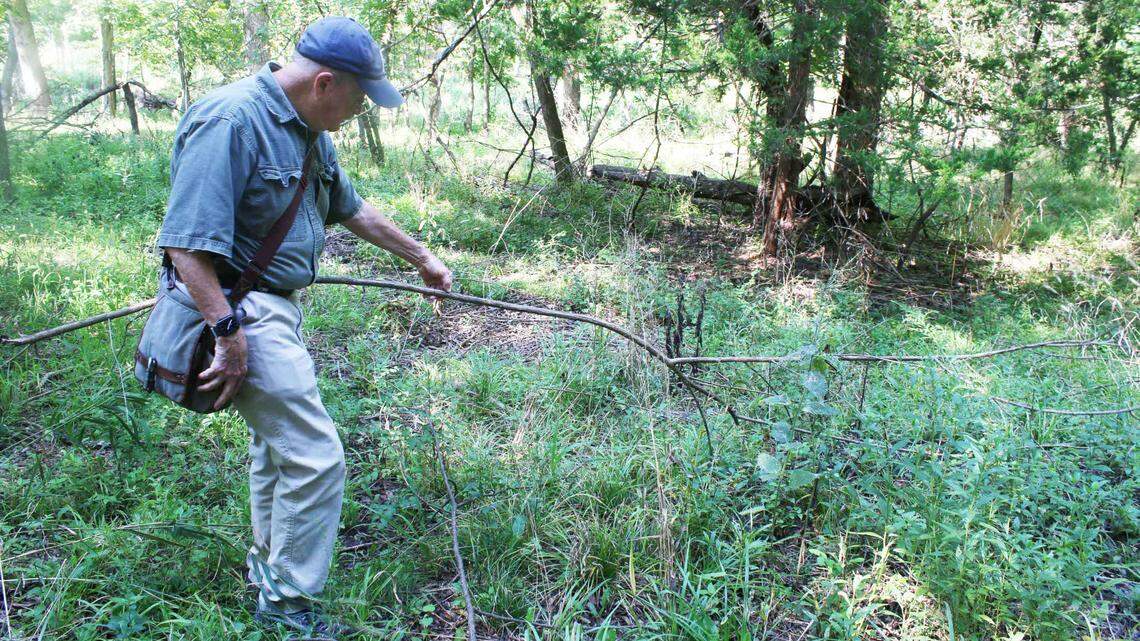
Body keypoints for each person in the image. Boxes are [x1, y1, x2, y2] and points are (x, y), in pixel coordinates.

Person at [154, 16, 452, 636]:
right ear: (324, 83)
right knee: (316, 457)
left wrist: (420, 257)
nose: (360, 111)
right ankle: (291, 607)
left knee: (277, 452)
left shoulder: (310, 129)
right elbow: (185, 249)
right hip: (240, 307)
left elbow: (351, 207)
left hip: (274, 310)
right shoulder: (231, 122)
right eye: (359, 98)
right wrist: (230, 332)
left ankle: (270, 575)